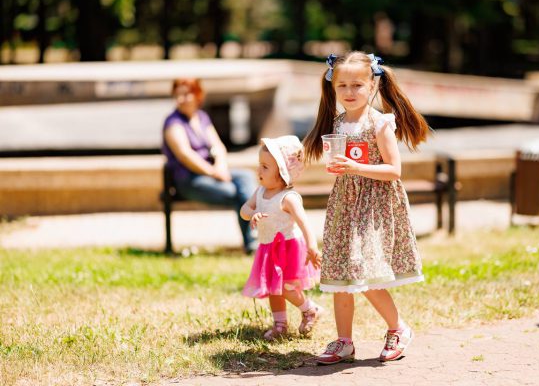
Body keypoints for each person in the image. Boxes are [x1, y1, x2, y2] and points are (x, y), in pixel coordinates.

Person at [303, 51, 430, 364]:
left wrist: (355, 168)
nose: (349, 92)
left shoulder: (380, 123)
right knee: (340, 274)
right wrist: (340, 168)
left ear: (373, 85)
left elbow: (394, 170)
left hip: (373, 207)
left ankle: (398, 328)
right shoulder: (338, 122)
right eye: (342, 85)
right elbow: (345, 163)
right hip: (345, 205)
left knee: (365, 272)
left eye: (357, 85)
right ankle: (344, 340)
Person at [240, 135, 323, 340]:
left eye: (265, 167)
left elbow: (304, 224)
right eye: (260, 165)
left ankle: (310, 309)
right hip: (268, 247)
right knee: (273, 288)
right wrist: (252, 214)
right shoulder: (260, 192)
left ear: (283, 173)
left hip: (288, 247)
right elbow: (244, 209)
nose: (259, 171)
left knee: (286, 287)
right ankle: (280, 325)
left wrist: (312, 247)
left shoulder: (288, 198)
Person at [162, 78, 258, 254]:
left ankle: (253, 242)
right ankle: (253, 243)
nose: (181, 99)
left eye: (186, 94)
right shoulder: (173, 123)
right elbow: (185, 155)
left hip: (212, 173)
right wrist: (213, 172)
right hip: (189, 180)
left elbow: (218, 147)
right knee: (235, 192)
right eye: (178, 95)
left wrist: (221, 167)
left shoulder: (202, 118)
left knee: (246, 177)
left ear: (197, 95)